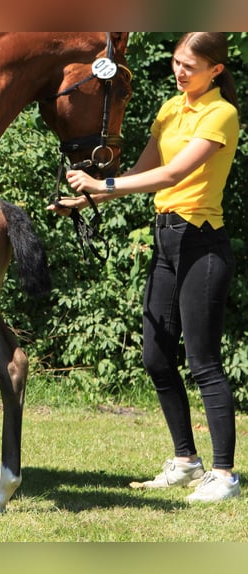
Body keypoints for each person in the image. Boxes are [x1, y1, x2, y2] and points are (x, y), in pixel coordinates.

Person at [48, 32, 240, 503]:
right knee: (155, 354)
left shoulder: (221, 114)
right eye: (176, 62)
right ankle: (185, 462)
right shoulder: (171, 109)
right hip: (166, 238)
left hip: (201, 242)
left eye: (189, 66)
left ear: (215, 71)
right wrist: (88, 195)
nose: (179, 71)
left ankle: (224, 475)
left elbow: (175, 174)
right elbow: (143, 169)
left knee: (204, 361)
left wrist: (103, 181)